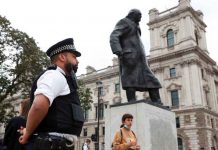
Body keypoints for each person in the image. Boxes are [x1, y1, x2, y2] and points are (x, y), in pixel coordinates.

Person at [19, 38, 85, 150]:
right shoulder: (55, 75)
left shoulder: (62, 77)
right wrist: (28, 134)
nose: (77, 61)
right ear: (62, 57)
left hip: (58, 143)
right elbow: (39, 105)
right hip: (53, 143)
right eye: (74, 57)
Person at [110, 9, 162, 103]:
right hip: (129, 56)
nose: (141, 18)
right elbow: (114, 35)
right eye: (139, 15)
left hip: (140, 59)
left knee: (152, 80)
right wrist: (118, 50)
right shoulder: (124, 22)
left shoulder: (135, 25)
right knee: (130, 79)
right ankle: (132, 101)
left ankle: (157, 101)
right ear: (133, 14)